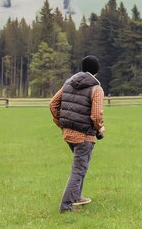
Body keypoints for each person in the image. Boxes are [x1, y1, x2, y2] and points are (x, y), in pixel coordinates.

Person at [50, 55, 105, 213]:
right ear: (97, 71)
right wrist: (100, 128)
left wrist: (61, 124)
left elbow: (53, 104)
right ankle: (66, 207)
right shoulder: (96, 89)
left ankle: (77, 197)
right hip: (84, 136)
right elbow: (96, 115)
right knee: (79, 170)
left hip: (68, 134)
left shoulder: (69, 83)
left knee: (81, 166)